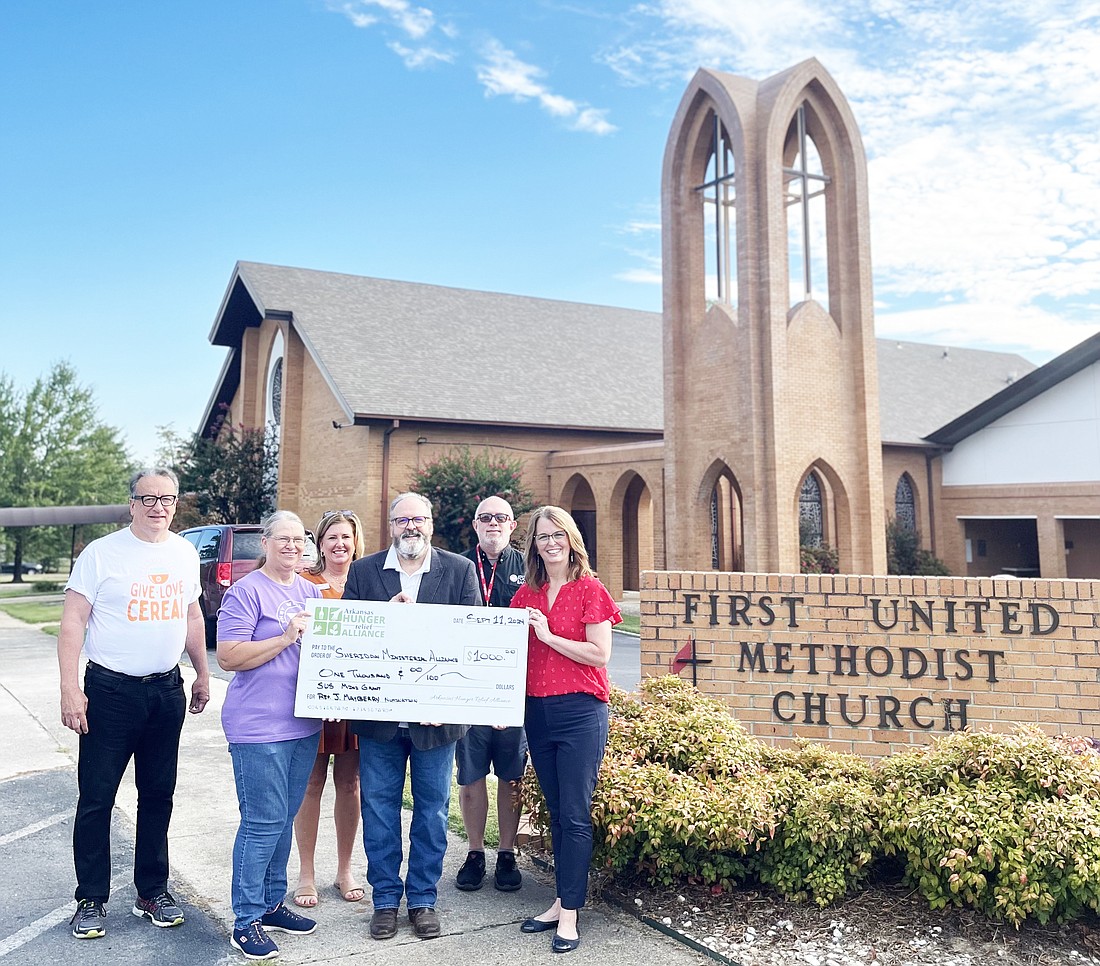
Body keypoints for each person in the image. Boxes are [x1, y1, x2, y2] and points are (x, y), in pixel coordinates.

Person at [58, 467, 210, 940]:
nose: (158, 506)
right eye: (148, 498)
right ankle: (91, 899)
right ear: (132, 503)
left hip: (166, 691)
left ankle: (152, 891)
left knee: (158, 795)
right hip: (109, 692)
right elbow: (72, 622)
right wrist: (69, 687)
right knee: (97, 797)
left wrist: (203, 672)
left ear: (175, 503)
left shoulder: (185, 553)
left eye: (167, 498)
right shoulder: (102, 554)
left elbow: (191, 615)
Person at [343, 492, 479, 942]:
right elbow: (348, 640)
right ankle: (385, 901)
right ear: (391, 526)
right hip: (380, 720)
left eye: (418, 519)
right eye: (402, 521)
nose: (411, 528)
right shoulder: (364, 572)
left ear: (431, 523)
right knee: (378, 809)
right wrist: (385, 619)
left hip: (436, 722)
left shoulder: (458, 569)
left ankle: (422, 899)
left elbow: (473, 642)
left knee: (433, 812)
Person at [511, 506, 620, 955]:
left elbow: (600, 654)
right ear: (533, 546)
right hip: (537, 712)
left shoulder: (589, 589)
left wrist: (550, 635)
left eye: (557, 535)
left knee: (574, 812)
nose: (550, 543)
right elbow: (507, 654)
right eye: (541, 537)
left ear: (571, 539)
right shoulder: (526, 595)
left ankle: (571, 914)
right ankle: (560, 901)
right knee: (556, 811)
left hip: (580, 712)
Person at [217, 510, 324, 961]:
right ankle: (245, 921)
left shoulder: (310, 591)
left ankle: (272, 903)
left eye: (299, 540)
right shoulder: (245, 592)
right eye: (283, 539)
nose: (292, 547)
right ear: (264, 542)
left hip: (303, 724)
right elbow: (228, 655)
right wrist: (283, 637)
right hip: (258, 726)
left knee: (284, 819)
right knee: (262, 822)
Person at [292, 509, 366, 908]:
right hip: (314, 698)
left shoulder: (368, 580)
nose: (340, 544)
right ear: (319, 543)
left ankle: (344, 869)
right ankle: (306, 873)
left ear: (356, 541)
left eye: (346, 537)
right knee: (310, 784)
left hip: (356, 698)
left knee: (351, 784)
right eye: (332, 537)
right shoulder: (304, 584)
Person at [454, 495, 527, 893]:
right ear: (476, 525)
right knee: (471, 775)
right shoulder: (459, 567)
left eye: (501, 518)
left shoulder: (528, 569)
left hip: (513, 690)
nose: (493, 524)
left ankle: (507, 853)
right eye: (486, 518)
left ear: (512, 526)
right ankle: (476, 851)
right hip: (467, 688)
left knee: (512, 776)